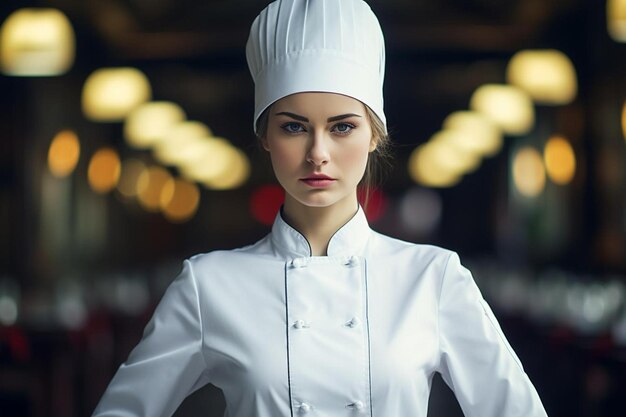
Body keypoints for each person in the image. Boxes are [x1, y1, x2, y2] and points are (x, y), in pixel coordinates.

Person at [92, 0, 548, 416]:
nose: (318, 153)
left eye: (342, 127)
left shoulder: (433, 278)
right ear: (265, 137)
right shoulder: (208, 285)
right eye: (293, 127)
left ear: (374, 136)